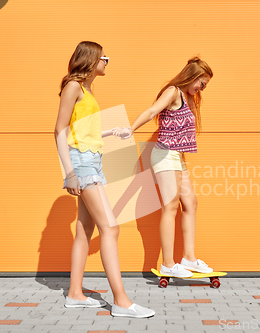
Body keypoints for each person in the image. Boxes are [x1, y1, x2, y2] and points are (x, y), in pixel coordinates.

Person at [54, 41, 154, 318]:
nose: (107, 62)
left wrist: (112, 132)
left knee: (85, 230)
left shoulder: (86, 90)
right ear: (92, 59)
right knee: (111, 229)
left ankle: (75, 295)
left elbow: (82, 130)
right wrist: (69, 173)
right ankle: (121, 302)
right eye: (105, 57)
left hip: (92, 159)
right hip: (82, 164)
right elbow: (60, 130)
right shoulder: (73, 86)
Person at [116, 57, 214, 278]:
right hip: (165, 155)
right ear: (193, 76)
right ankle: (167, 263)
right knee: (170, 207)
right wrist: (131, 129)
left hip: (177, 157)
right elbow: (151, 112)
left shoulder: (190, 98)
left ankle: (189, 257)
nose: (202, 88)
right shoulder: (173, 92)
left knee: (191, 203)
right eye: (202, 83)